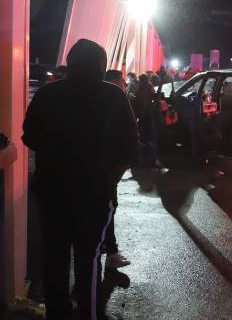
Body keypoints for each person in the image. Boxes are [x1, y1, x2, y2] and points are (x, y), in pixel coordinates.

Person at [23, 39, 138, 320]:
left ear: (70, 64)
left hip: (52, 192)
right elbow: (130, 150)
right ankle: (89, 313)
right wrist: (109, 179)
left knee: (55, 257)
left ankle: (57, 313)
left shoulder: (48, 95)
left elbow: (30, 137)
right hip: (95, 193)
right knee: (89, 259)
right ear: (101, 65)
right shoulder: (113, 96)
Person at [102, 69, 132, 269]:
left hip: (78, 169)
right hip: (105, 169)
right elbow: (130, 137)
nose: (124, 84)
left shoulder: (56, 94)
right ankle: (110, 251)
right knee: (107, 207)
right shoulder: (116, 97)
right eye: (122, 80)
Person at [132, 74, 161, 167]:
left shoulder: (139, 90)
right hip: (149, 115)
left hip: (143, 116)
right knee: (150, 136)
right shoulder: (150, 88)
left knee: (143, 136)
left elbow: (137, 104)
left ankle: (145, 157)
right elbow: (154, 99)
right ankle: (151, 157)